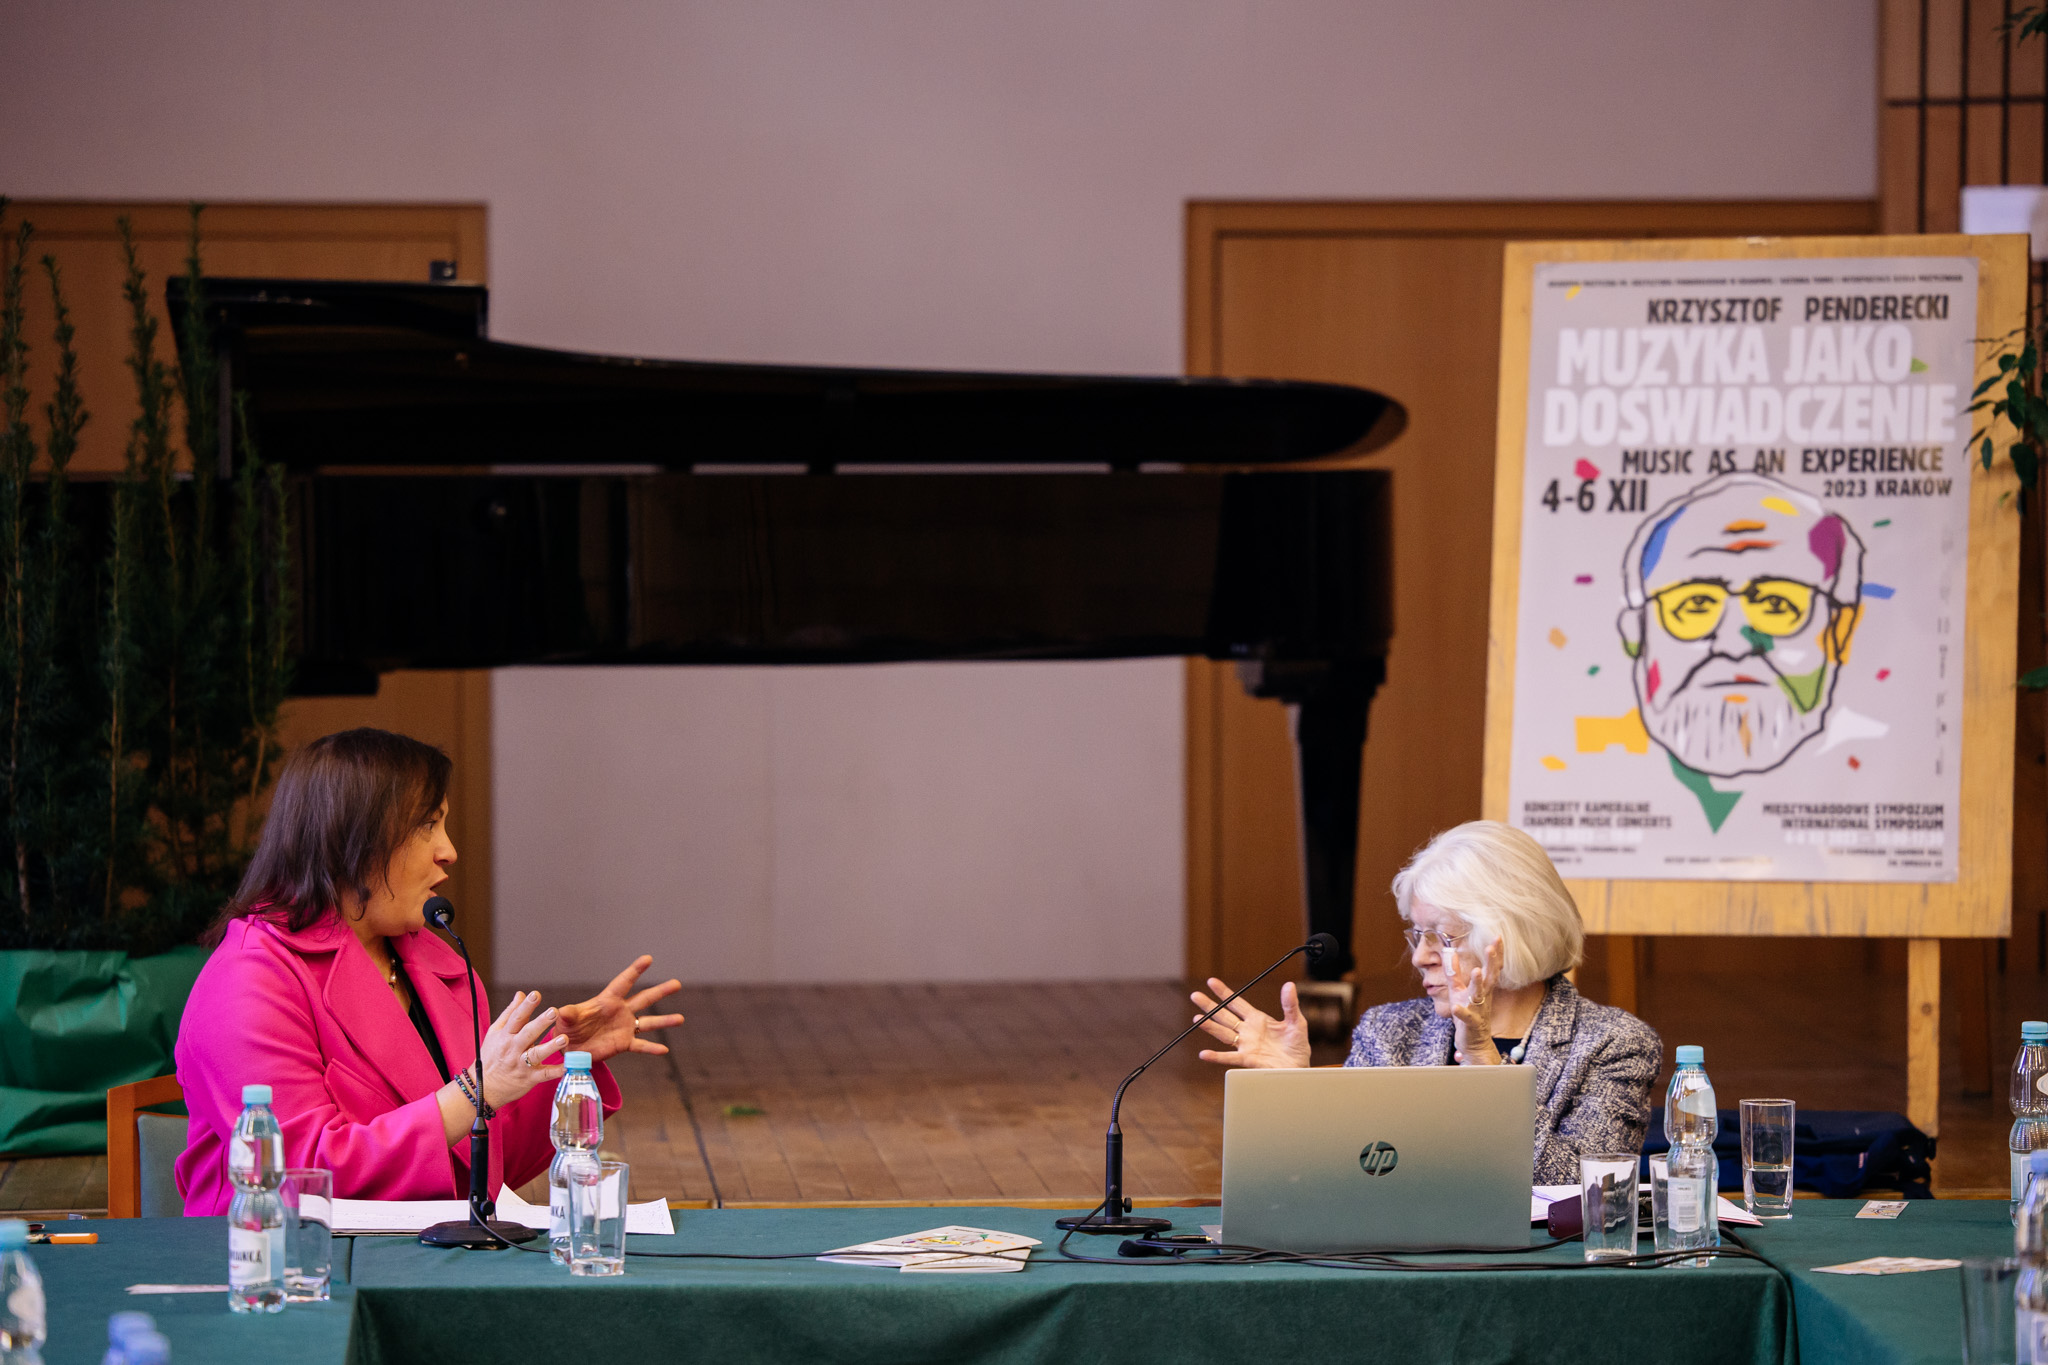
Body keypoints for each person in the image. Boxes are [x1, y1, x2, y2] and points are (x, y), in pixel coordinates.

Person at [174, 728, 685, 1215]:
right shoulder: (248, 980)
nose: (449, 851)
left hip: (427, 1253)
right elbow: (302, 1173)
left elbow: (482, 1167)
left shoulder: (440, 966)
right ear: (351, 837)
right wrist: (475, 1091)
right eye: (427, 824)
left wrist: (563, 1061)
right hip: (280, 1259)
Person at [1190, 820, 1661, 1184]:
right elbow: (1341, 1179)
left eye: (1442, 937)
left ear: (1511, 934)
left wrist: (1485, 1065)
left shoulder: (1614, 1044)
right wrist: (1299, 1092)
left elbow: (1587, 1190)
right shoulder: (1389, 1032)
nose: (1419, 957)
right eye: (1418, 934)